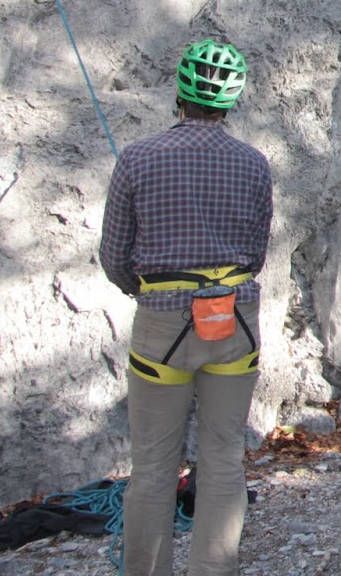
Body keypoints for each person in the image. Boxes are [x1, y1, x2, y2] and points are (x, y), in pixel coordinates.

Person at [100, 40, 274, 575]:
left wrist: (146, 289)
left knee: (153, 467)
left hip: (163, 322)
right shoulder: (253, 163)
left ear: (179, 92)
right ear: (231, 103)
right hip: (234, 319)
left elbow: (114, 255)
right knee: (223, 459)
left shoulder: (138, 158)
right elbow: (257, 252)